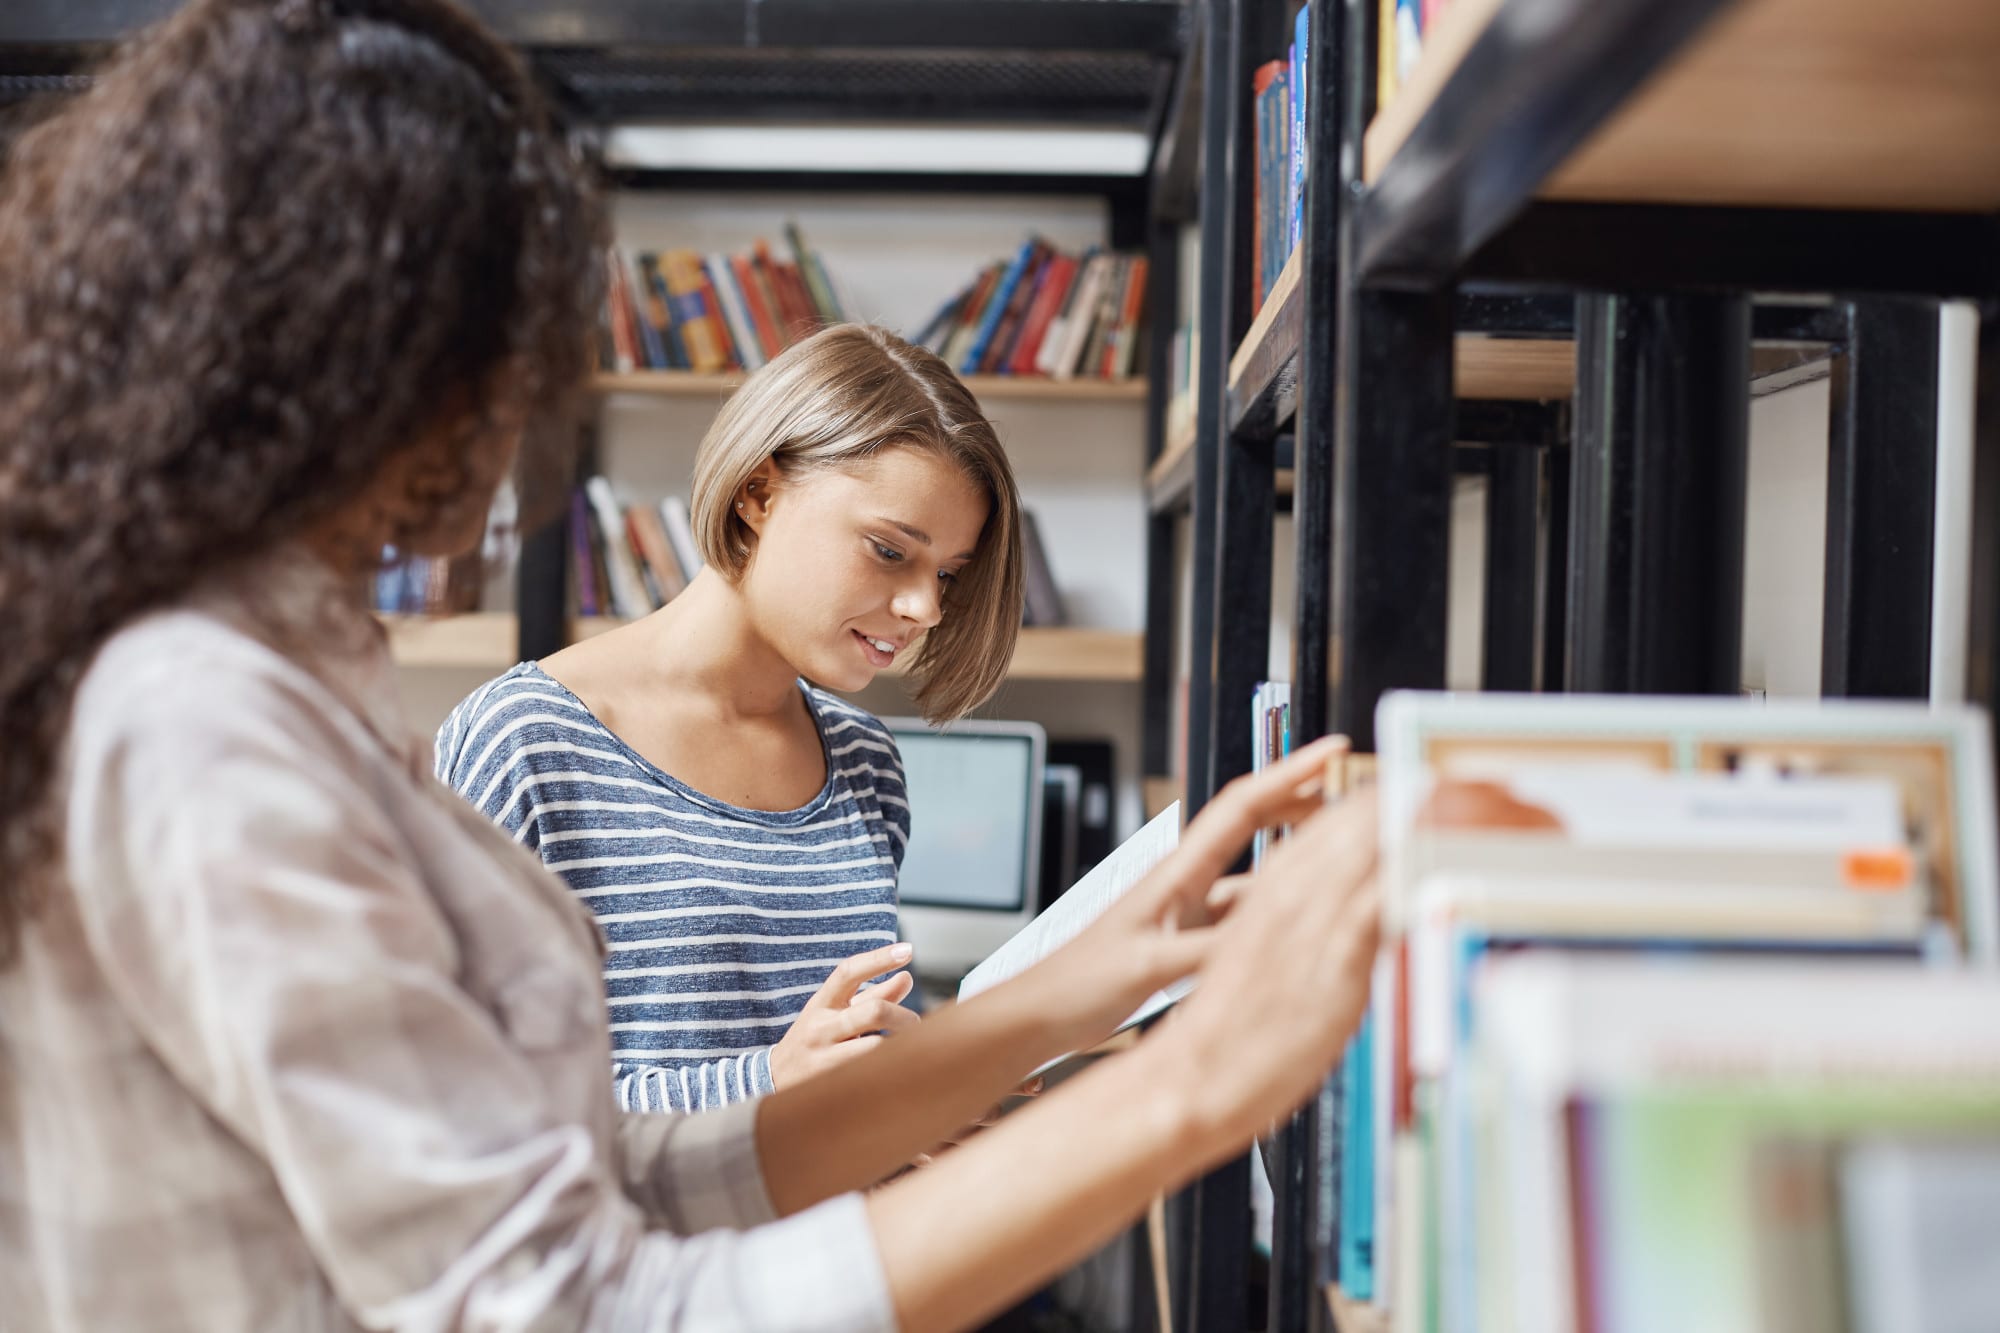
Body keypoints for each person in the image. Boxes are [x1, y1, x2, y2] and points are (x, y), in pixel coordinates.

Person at [0, 3, 1382, 1331]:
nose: (505, 434)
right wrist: (1191, 1085)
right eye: (496, 362)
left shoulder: (294, 672)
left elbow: (604, 1168)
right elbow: (577, 1297)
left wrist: (1078, 992)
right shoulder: (196, 722)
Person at [436, 323, 1022, 1111]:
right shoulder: (528, 742)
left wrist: (913, 1105)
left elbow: (838, 1069)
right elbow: (452, 1106)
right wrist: (768, 1085)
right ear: (757, 491)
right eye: (889, 551)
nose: (925, 607)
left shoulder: (865, 761)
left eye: (947, 572)